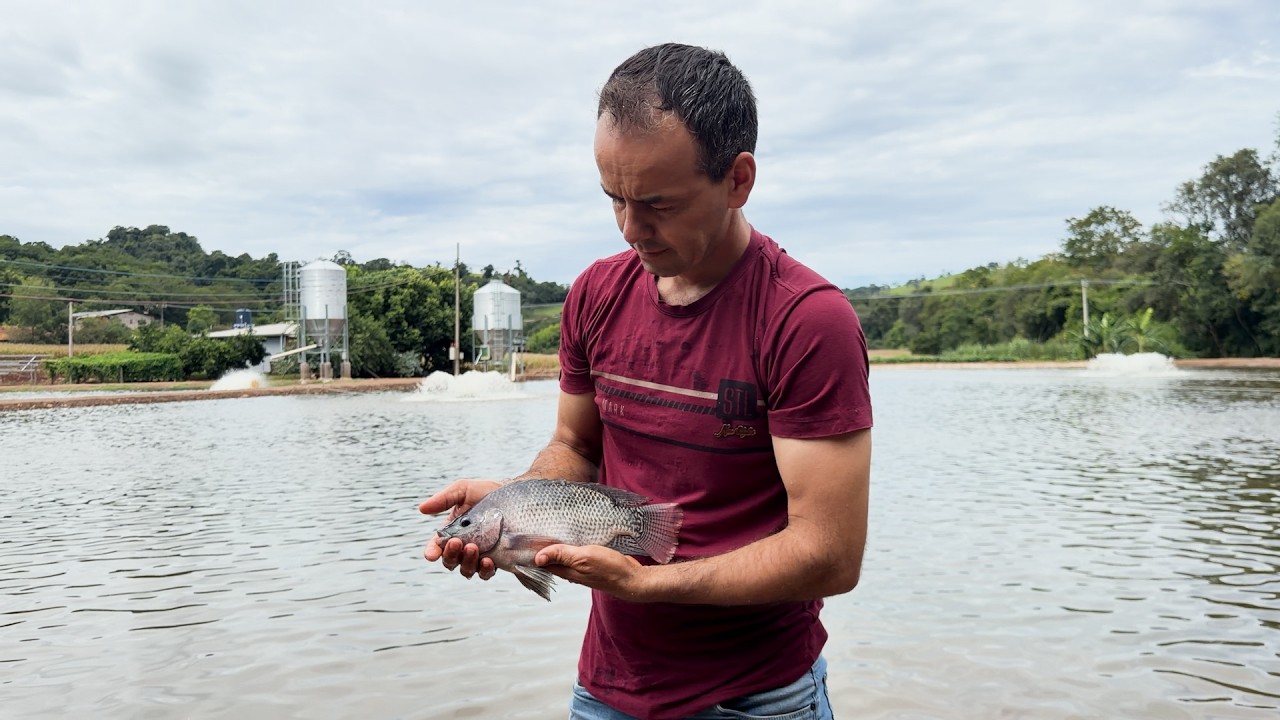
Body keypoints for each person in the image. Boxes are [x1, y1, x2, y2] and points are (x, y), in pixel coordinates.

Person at [420, 42, 872, 720]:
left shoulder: (806, 320)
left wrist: (649, 585)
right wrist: (518, 506)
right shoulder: (597, 294)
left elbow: (830, 555)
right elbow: (574, 446)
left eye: (658, 203)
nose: (633, 228)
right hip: (609, 688)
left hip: (758, 698)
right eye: (614, 198)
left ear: (738, 180)